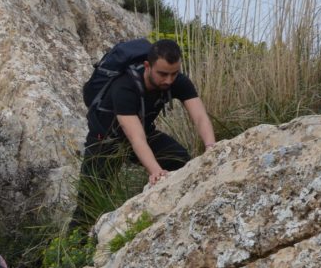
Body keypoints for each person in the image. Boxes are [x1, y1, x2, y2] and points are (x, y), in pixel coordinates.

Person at [75, 38, 216, 225]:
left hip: (143, 132)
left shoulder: (177, 81)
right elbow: (136, 138)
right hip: (105, 140)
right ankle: (75, 247)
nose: (169, 80)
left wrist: (211, 147)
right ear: (147, 66)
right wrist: (156, 172)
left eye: (174, 74)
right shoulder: (124, 87)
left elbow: (200, 117)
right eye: (163, 74)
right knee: (88, 204)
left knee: (180, 160)